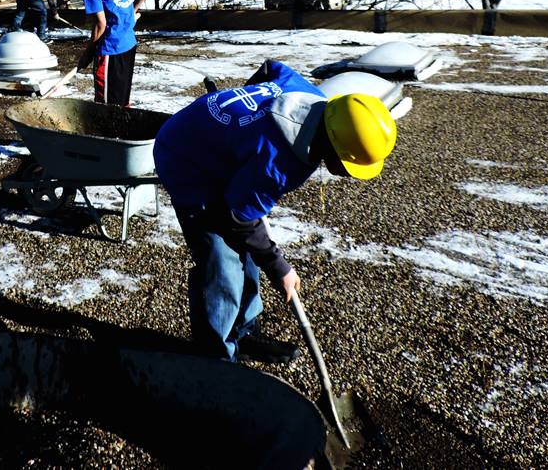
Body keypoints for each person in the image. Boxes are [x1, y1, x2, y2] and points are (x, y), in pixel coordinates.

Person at [153, 59, 398, 364]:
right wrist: (279, 266)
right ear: (333, 145)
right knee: (223, 260)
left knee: (249, 248)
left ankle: (243, 331)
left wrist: (240, 126)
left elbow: (272, 68)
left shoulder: (310, 96)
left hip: (210, 142)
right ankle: (214, 354)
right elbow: (239, 217)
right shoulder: (278, 163)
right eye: (350, 167)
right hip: (185, 159)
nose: (349, 174)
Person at [61, 0, 149, 106]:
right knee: (121, 98)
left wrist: (87, 55)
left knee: (106, 104)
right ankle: (122, 130)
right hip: (129, 44)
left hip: (110, 49)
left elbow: (100, 25)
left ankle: (110, 133)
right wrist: (132, 11)